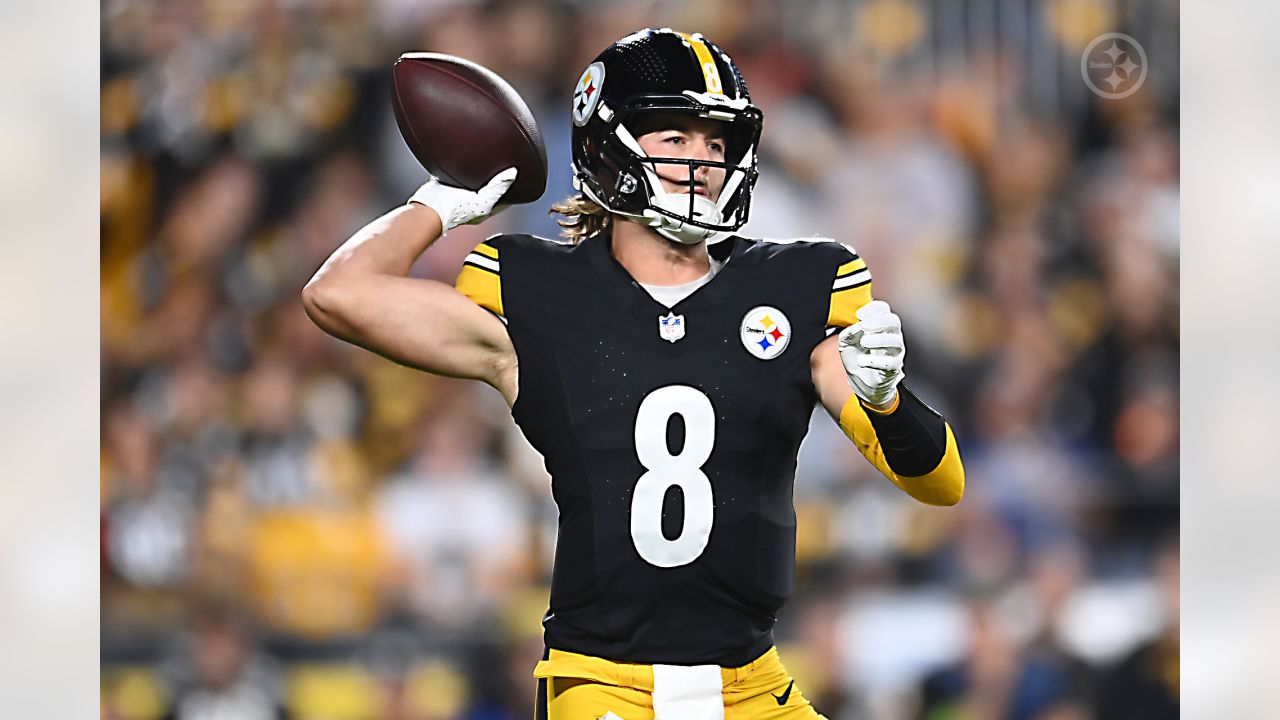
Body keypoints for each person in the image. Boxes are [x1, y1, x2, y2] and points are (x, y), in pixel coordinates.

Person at [304, 27, 964, 720]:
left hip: (754, 688)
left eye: (715, 142)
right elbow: (336, 295)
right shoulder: (538, 294)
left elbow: (942, 485)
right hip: (604, 686)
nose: (702, 161)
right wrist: (439, 203)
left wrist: (886, 400)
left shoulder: (798, 285)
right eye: (674, 137)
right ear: (604, 148)